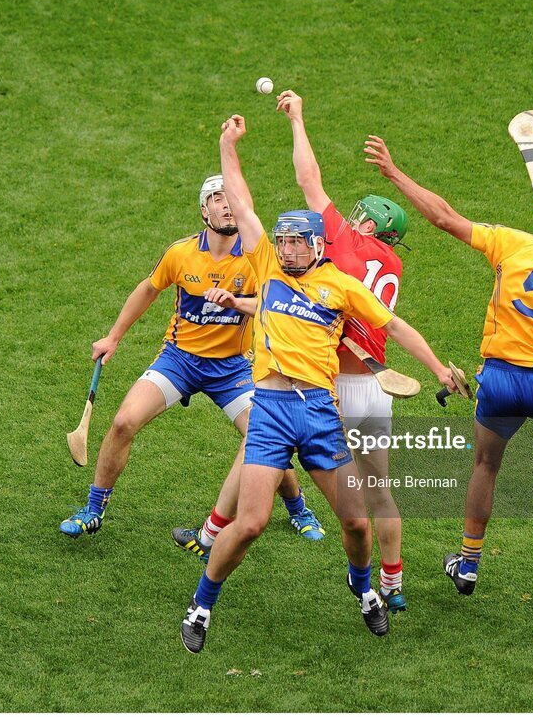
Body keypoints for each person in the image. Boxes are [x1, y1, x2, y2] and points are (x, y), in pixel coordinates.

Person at [179, 115, 458, 654]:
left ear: (315, 246)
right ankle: (201, 605)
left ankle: (365, 592)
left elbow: (393, 326)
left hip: (321, 414)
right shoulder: (267, 267)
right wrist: (226, 145)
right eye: (280, 242)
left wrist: (438, 367)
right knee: (253, 522)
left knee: (356, 524)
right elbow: (241, 200)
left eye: (293, 243)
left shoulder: (340, 285)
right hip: (272, 411)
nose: (283, 249)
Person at [363, 136, 533, 597]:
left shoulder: (512, 244)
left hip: (496, 382)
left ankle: (468, 562)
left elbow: (443, 216)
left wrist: (394, 173)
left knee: (486, 465)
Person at [59, 175, 323, 541]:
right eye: (217, 198)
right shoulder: (181, 253)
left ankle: (299, 509)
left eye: (231, 197)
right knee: (122, 422)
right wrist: (113, 337)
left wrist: (237, 304)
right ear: (204, 210)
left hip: (232, 367)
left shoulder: (257, 260)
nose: (227, 204)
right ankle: (93, 509)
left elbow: (277, 304)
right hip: (179, 360)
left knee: (267, 435)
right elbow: (148, 288)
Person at [276, 89, 410, 612]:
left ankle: (216, 534)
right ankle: (394, 584)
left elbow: (308, 180)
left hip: (332, 385)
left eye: (361, 217)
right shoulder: (393, 267)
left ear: (371, 227)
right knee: (381, 492)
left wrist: (299, 119)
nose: (351, 220)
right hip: (377, 389)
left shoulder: (343, 243)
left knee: (265, 447)